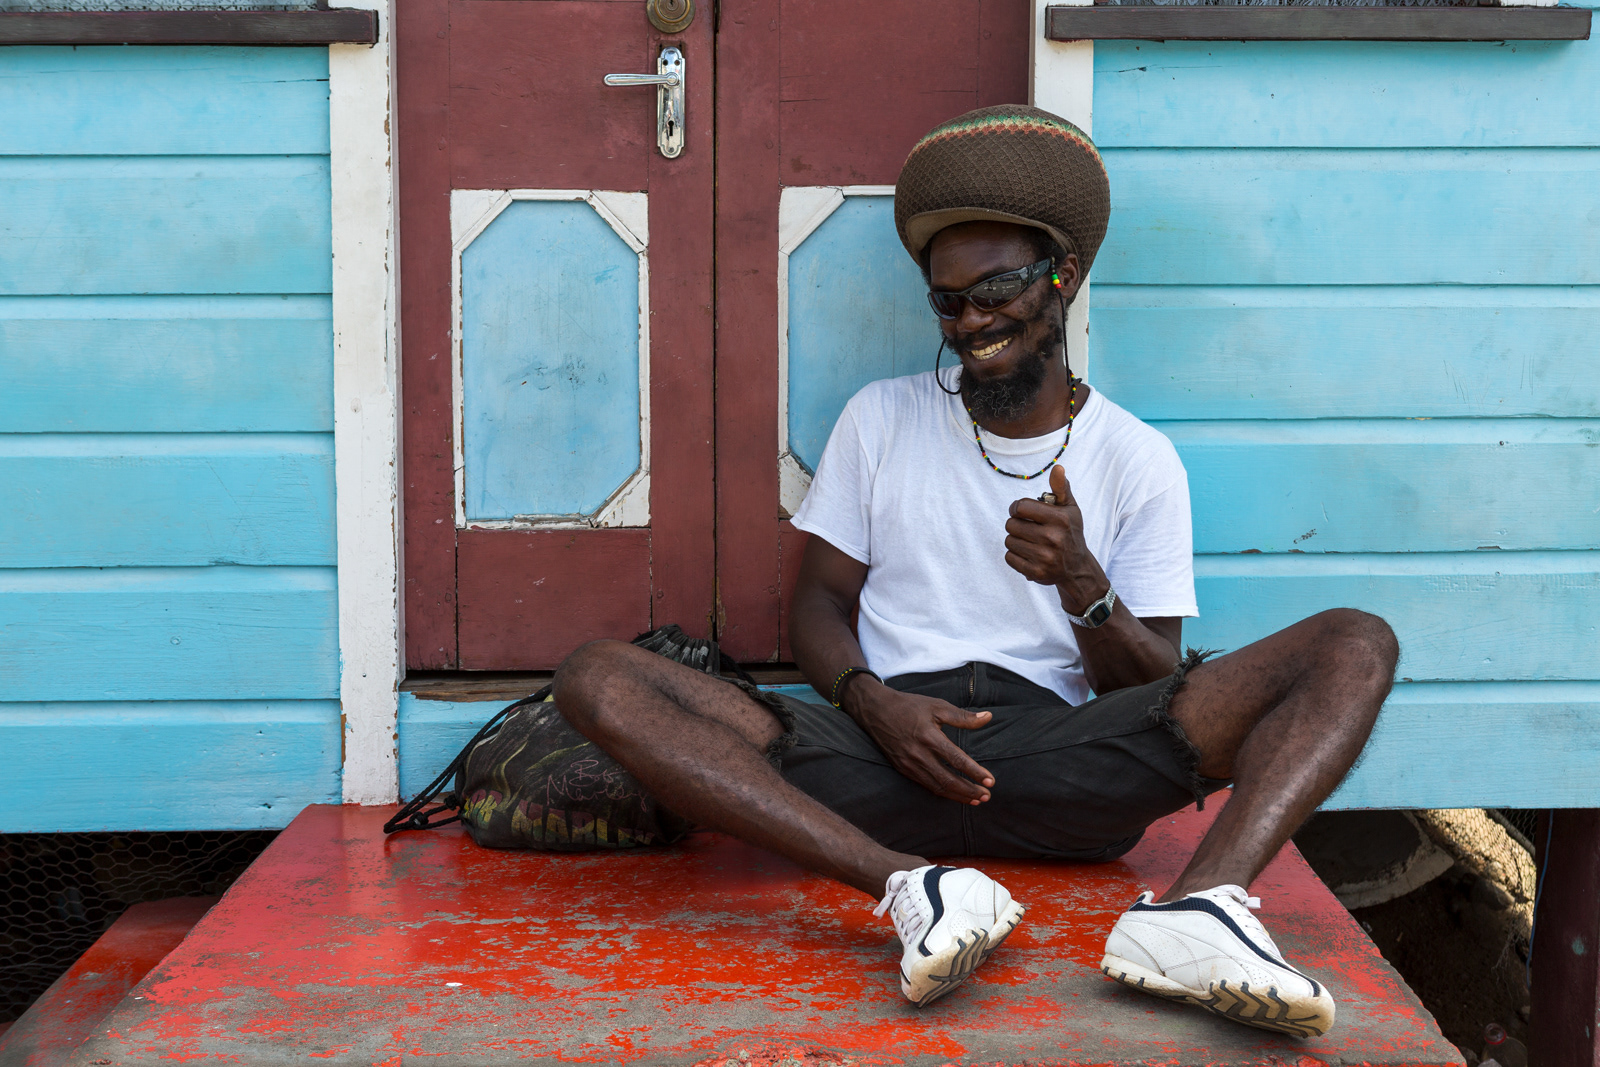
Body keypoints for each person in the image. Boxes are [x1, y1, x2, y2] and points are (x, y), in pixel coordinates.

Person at [552, 104, 1397, 1039]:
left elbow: (1161, 690)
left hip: (1057, 761)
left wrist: (1087, 588)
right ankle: (914, 887)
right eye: (948, 302)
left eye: (995, 291)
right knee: (598, 675)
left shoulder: (1137, 459)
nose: (972, 322)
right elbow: (820, 606)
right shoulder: (882, 419)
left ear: (1061, 278)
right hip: (883, 753)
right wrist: (873, 702)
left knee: (1355, 644)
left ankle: (1199, 911)